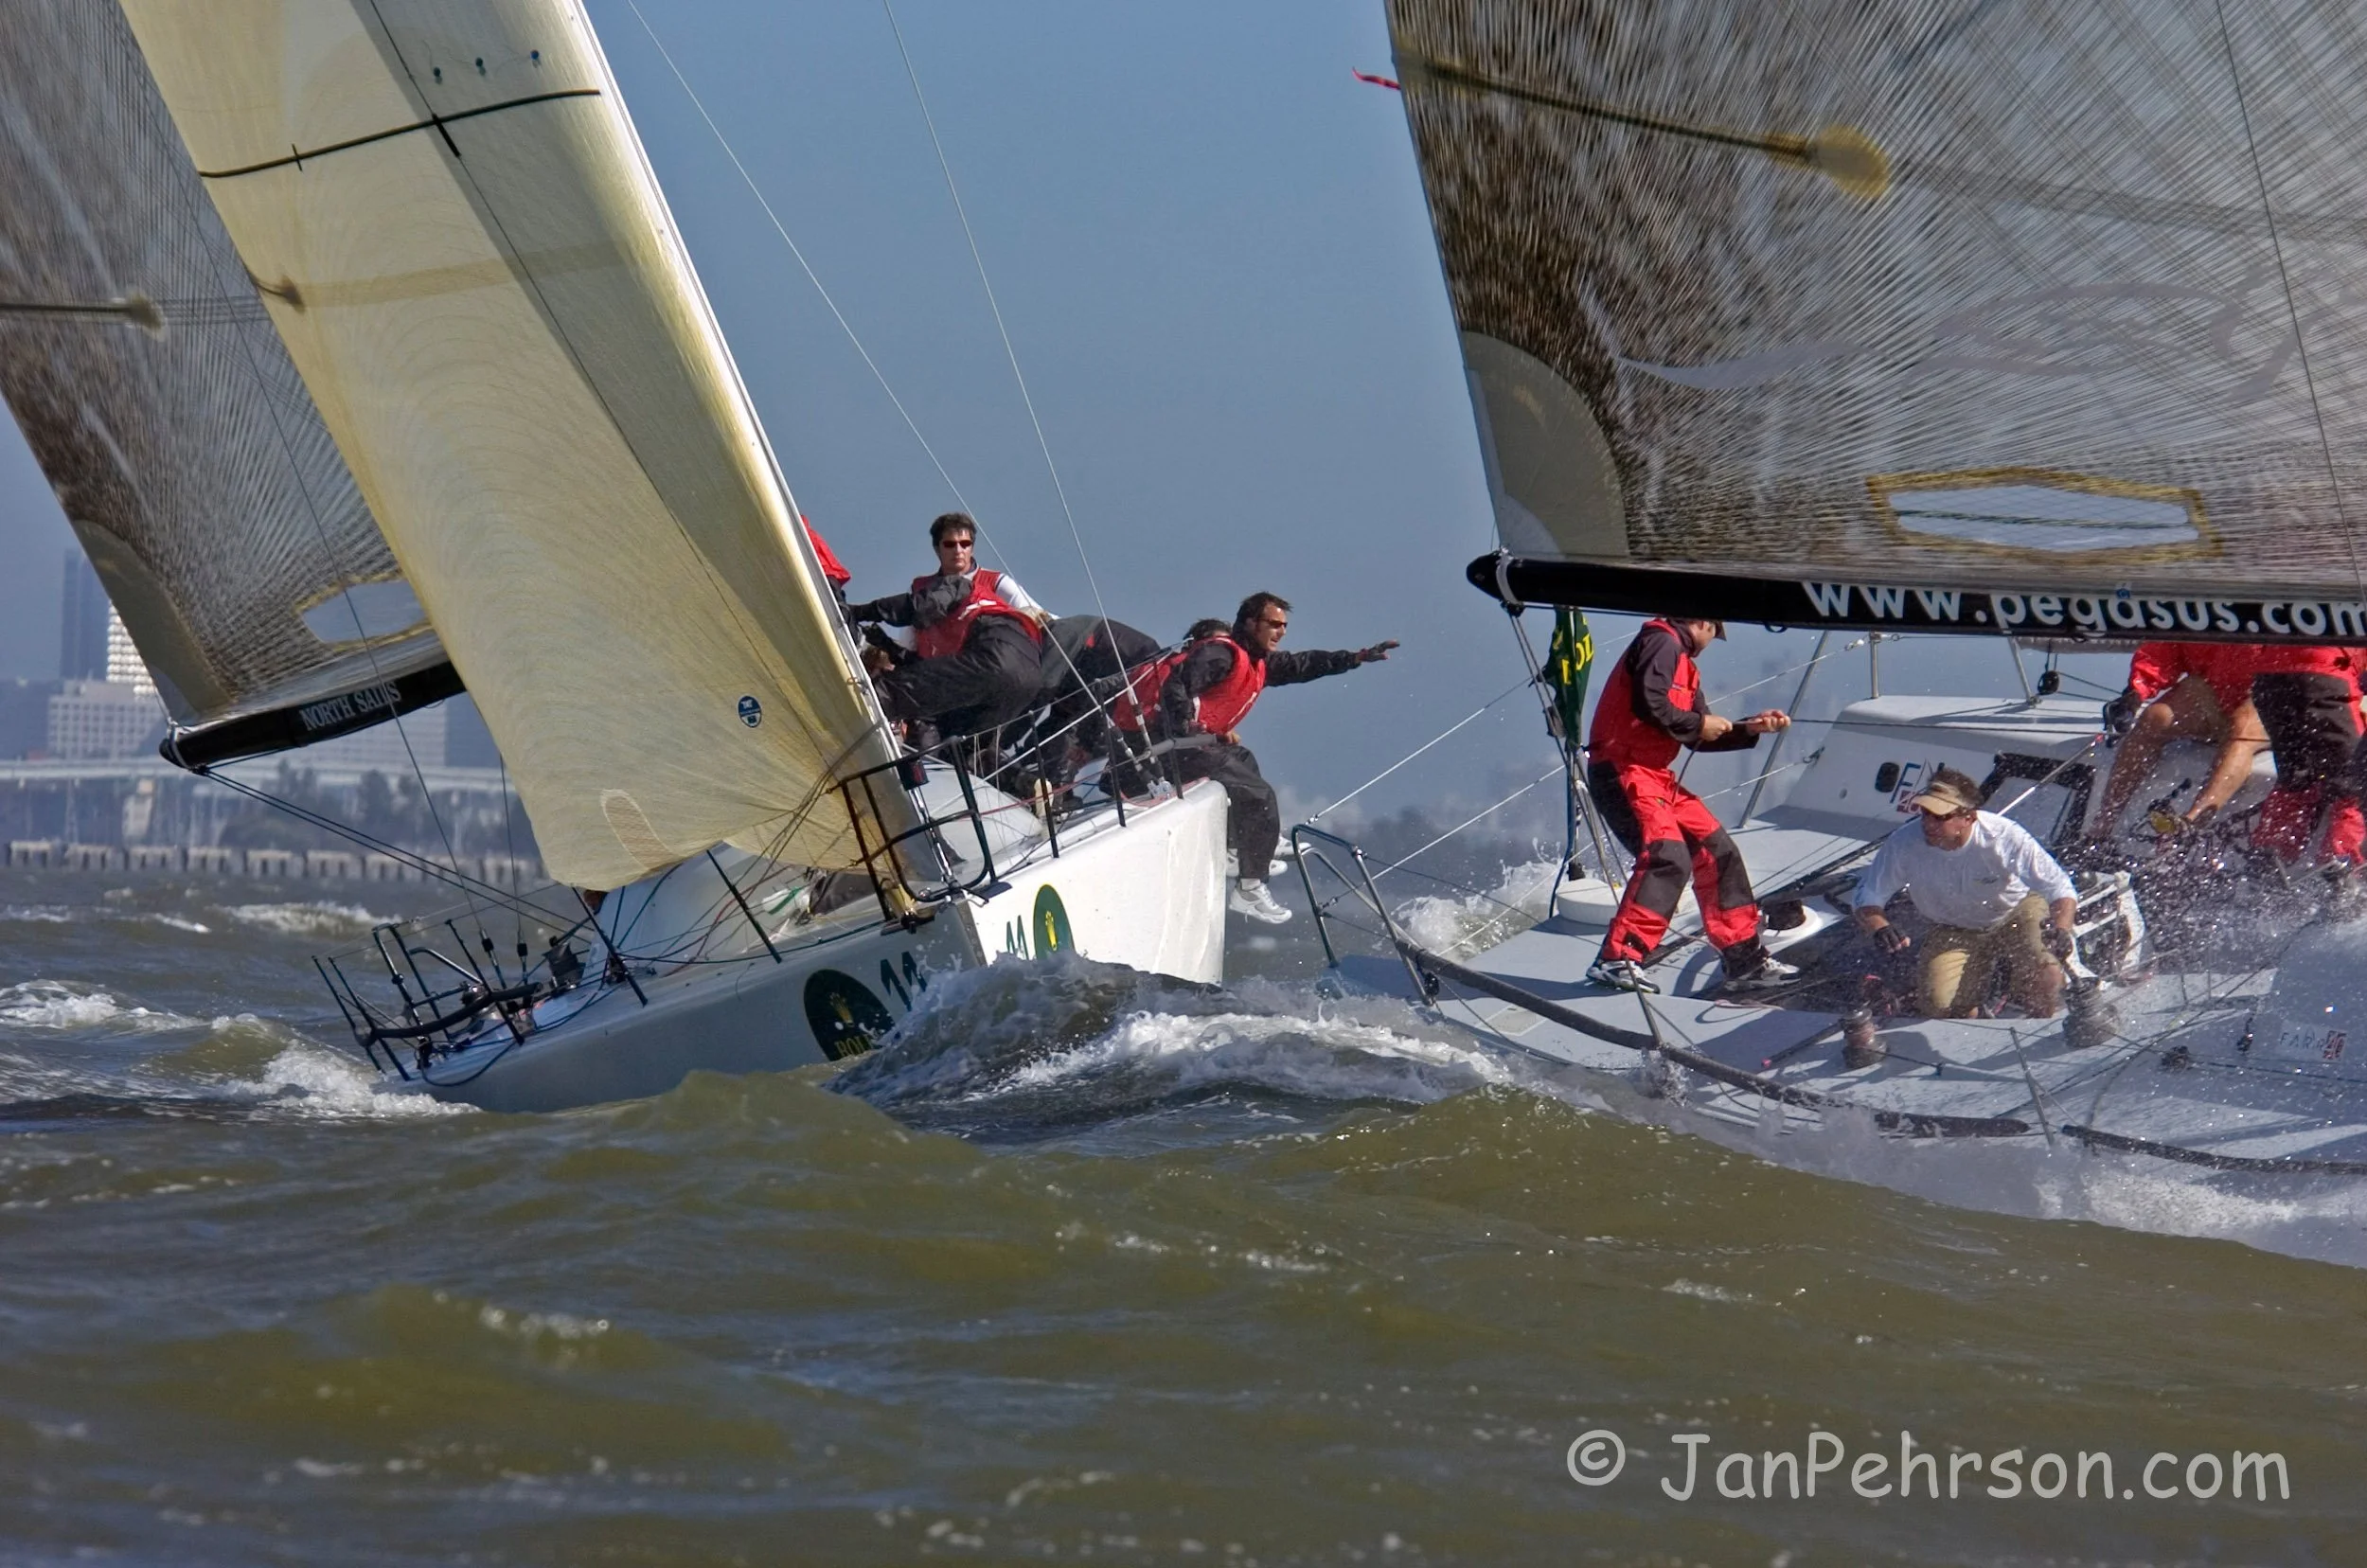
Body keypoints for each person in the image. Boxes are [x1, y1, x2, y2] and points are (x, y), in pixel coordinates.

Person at [1130, 593, 1397, 924]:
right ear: (1249, 623)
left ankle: (1239, 849)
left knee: (1244, 759)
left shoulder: (1260, 663)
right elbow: (1176, 685)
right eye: (1273, 624)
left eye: (1284, 626)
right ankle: (1250, 889)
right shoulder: (1222, 654)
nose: (1281, 631)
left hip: (1196, 747)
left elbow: (1306, 664)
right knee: (1259, 795)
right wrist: (1187, 726)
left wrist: (1355, 658)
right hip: (1173, 751)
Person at [1585, 615, 1795, 993]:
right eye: (1716, 632)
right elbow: (1651, 704)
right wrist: (1699, 724)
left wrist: (1751, 728)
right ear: (1704, 623)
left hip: (1654, 776)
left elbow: (1698, 735)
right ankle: (1619, 958)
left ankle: (1745, 961)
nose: (1712, 642)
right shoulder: (1661, 641)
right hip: (1622, 770)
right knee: (1669, 856)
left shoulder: (1686, 666)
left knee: (1718, 852)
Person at [1854, 766, 2080, 1019]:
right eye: (1925, 813)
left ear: (1968, 817)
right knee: (1940, 1006)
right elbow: (1868, 896)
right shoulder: (1903, 843)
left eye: (1940, 817)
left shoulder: (2004, 836)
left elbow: (2059, 887)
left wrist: (2061, 929)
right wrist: (1879, 927)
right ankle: (1973, 1019)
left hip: (2015, 912)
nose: (1928, 823)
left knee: (2047, 975)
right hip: (1952, 927)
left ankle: (2038, 1020)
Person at [846, 512, 1053, 741]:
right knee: (961, 745)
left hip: (989, 660)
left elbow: (1043, 619)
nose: (958, 550)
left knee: (894, 694)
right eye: (950, 544)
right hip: (1015, 681)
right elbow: (915, 651)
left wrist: (857, 613)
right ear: (938, 549)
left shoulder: (990, 583)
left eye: (965, 544)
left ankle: (840, 717)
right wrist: (885, 646)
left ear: (973, 548)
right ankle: (1010, 776)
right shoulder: (924, 587)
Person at [2091, 642, 2269, 842]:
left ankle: (2190, 827)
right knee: (2155, 718)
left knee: (2241, 728)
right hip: (2213, 688)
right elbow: (2166, 648)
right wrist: (2135, 693)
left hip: (2270, 694)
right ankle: (2101, 829)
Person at [2249, 646, 2367, 865]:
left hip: (2271, 675)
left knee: (2298, 780)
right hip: (2325, 674)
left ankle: (2271, 858)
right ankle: (2343, 865)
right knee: (2355, 783)